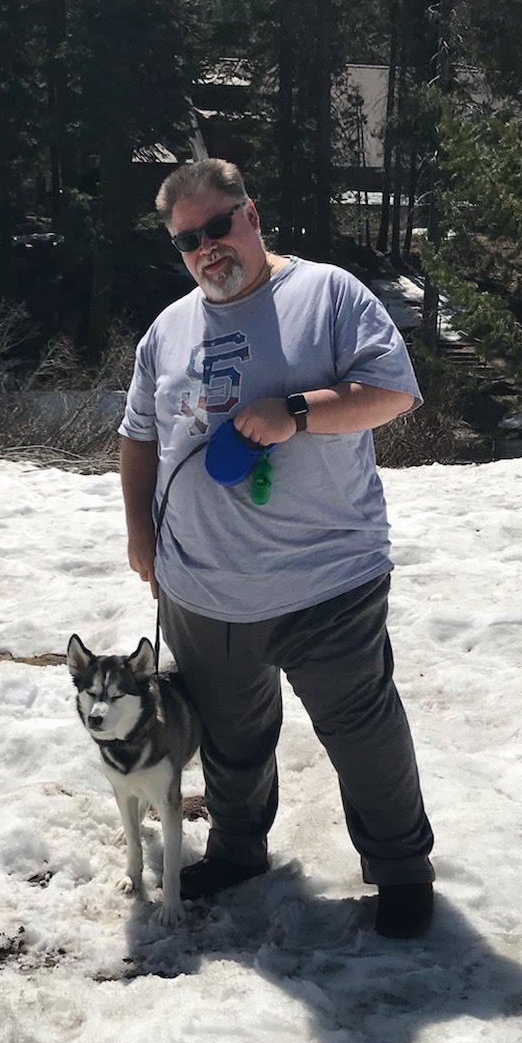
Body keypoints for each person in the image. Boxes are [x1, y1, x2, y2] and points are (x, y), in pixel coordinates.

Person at [118, 158, 435, 938]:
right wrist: (141, 537)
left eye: (218, 226)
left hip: (327, 578)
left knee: (361, 731)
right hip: (203, 586)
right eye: (189, 240)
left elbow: (393, 391)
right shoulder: (169, 331)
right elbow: (139, 437)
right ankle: (237, 848)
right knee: (230, 737)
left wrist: (295, 410)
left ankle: (400, 871)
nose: (207, 249)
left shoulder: (327, 294)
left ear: (251, 217)